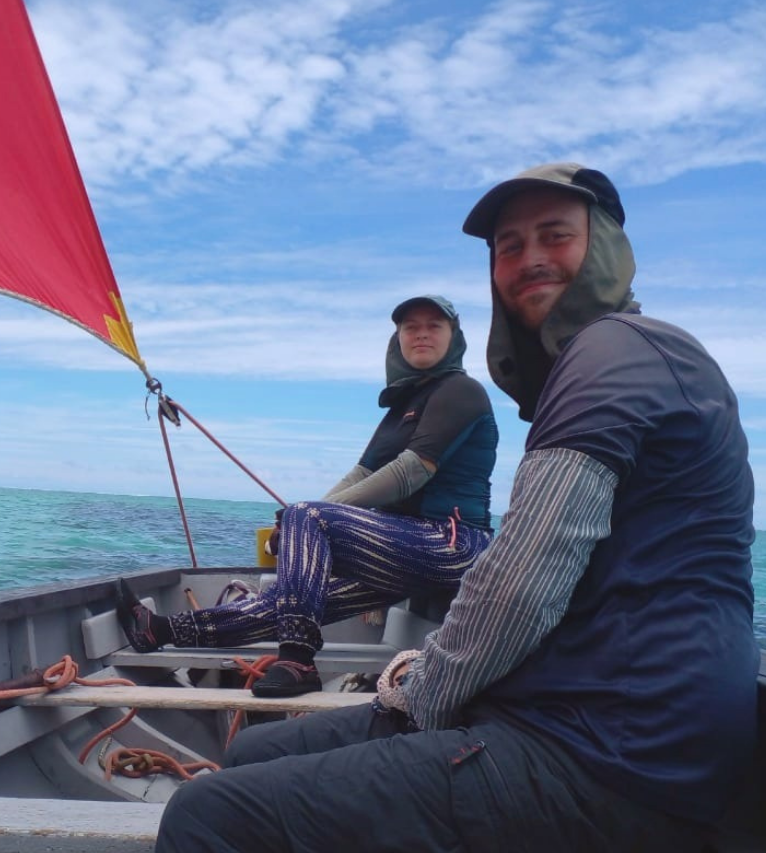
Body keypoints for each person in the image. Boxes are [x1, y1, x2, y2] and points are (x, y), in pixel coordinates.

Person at [131, 163, 758, 853]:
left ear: (606, 248)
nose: (529, 257)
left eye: (555, 235)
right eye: (508, 245)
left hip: (615, 765)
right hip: (574, 723)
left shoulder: (615, 354)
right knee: (256, 755)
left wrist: (421, 689)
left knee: (214, 826)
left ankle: (263, 642)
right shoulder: (594, 364)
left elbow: (524, 577)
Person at [117, 294, 498, 698]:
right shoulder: (401, 408)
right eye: (410, 327)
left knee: (308, 519)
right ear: (398, 338)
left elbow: (410, 472)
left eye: (434, 326)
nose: (421, 334)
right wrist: (295, 523)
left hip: (454, 545)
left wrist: (308, 518)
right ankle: (158, 631)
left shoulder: (462, 391)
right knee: (292, 597)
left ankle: (297, 660)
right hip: (403, 546)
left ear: (453, 337)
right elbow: (363, 472)